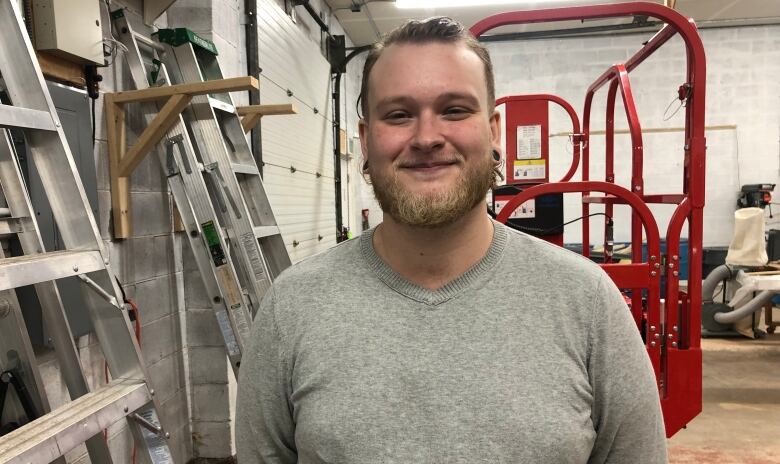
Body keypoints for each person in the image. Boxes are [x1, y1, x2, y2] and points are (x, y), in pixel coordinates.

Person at [236, 16, 667, 463]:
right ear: (365, 140)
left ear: (494, 130)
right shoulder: (292, 309)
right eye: (398, 115)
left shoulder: (586, 302)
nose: (426, 137)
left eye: (455, 110)